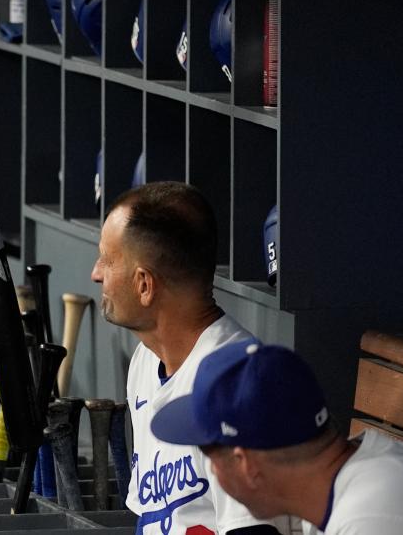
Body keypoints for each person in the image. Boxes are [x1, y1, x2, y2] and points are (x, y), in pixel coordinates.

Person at [90, 181, 288, 534]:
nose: (96, 273)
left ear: (144, 285)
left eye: (107, 260)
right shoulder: (145, 361)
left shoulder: (238, 386)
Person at [151, 340, 403, 535]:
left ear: (245, 464)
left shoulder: (372, 518)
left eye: (210, 459)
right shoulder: (341, 490)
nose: (212, 471)